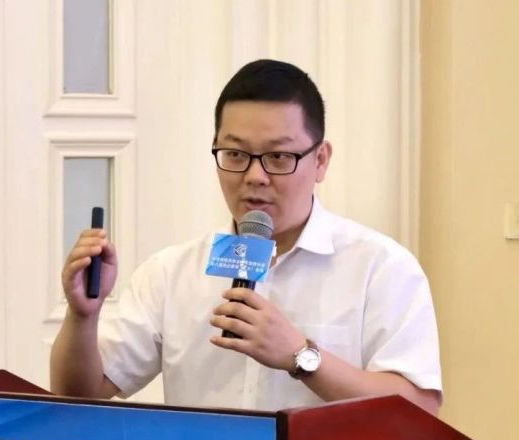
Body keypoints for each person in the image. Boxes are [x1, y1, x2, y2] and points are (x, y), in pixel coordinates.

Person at [50, 59, 441, 415]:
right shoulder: (172, 273)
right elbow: (78, 394)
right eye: (235, 155)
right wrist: (83, 316)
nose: (255, 176)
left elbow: (420, 410)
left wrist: (301, 356)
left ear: (320, 160)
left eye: (278, 157)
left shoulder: (379, 267)